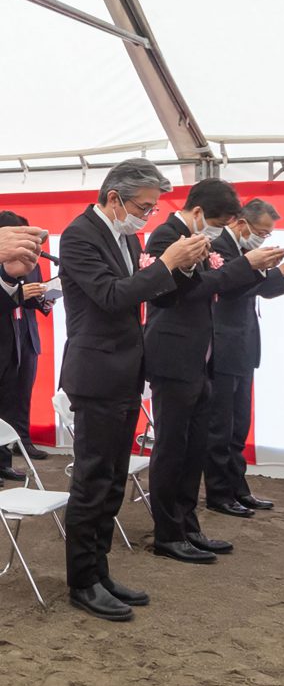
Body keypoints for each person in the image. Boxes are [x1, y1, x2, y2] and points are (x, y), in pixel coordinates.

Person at [59, 158, 208, 621]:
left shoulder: (125, 235)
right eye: (143, 206)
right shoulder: (79, 234)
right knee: (93, 480)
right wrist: (166, 262)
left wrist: (181, 269)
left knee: (112, 482)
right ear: (113, 198)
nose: (148, 215)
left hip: (125, 369)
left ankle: (99, 570)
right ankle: (82, 580)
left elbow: (145, 294)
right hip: (96, 373)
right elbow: (110, 297)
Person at [144, 179, 284, 563]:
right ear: (196, 213)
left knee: (195, 450)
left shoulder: (196, 239)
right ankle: (167, 533)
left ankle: (188, 527)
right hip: (173, 357)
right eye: (218, 223)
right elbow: (187, 292)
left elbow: (214, 288)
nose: (220, 232)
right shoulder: (165, 237)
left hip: (204, 358)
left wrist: (252, 270)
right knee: (172, 450)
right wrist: (245, 265)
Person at [203, 198, 284, 516]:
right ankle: (219, 493)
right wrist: (275, 271)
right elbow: (229, 289)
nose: (264, 239)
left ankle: (238, 488)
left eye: (268, 235)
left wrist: (282, 273)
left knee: (240, 425)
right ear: (240, 223)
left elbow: (258, 289)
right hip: (220, 344)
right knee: (220, 427)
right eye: (262, 233)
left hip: (243, 344)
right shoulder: (217, 246)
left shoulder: (243, 251)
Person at [0, 211, 54, 468]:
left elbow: (38, 298)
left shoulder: (31, 262)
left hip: (25, 334)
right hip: (5, 335)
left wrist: (46, 298)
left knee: (19, 395)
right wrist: (16, 291)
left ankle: (14, 450)